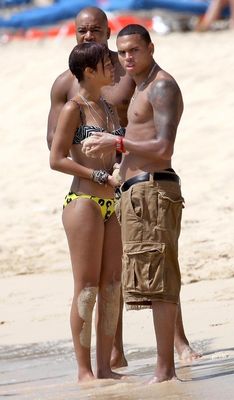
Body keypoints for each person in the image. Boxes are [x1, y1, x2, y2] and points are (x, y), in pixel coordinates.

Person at [47, 6, 200, 367]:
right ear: (76, 33)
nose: (89, 35)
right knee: (91, 287)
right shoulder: (67, 86)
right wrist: (97, 162)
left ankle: (161, 347)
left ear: (107, 30)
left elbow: (145, 119)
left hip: (129, 186)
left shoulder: (123, 70)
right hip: (89, 192)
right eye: (82, 30)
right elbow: (54, 145)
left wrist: (120, 151)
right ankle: (95, 366)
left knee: (128, 275)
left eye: (96, 29)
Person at [81, 24, 194, 383]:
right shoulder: (140, 85)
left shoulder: (161, 86)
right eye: (123, 51)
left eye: (135, 50)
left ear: (150, 47)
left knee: (159, 281)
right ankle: (165, 367)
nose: (128, 57)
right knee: (147, 279)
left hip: (154, 191)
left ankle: (165, 371)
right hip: (136, 192)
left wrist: (117, 145)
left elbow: (164, 147)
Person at [50, 42, 126, 381]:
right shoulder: (73, 109)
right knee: (87, 287)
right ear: (89, 72)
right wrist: (97, 174)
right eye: (106, 63)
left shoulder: (108, 106)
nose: (113, 67)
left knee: (112, 285)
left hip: (113, 201)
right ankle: (84, 371)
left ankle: (105, 368)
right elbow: (56, 158)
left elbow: (119, 150)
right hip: (84, 203)